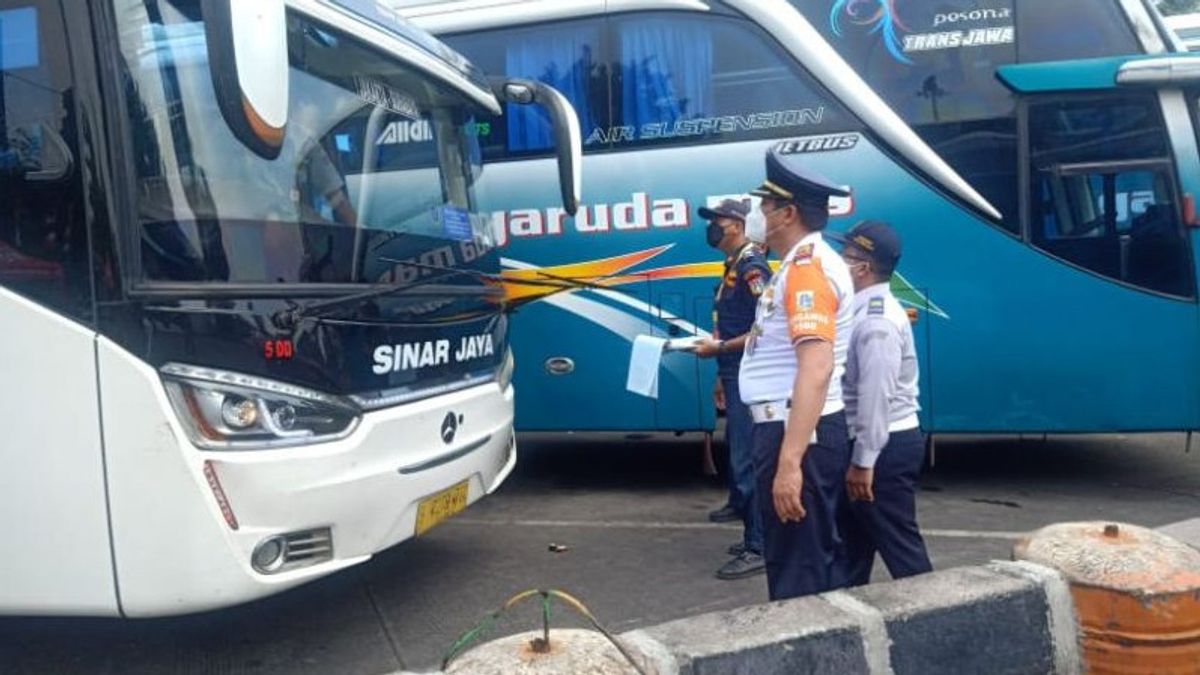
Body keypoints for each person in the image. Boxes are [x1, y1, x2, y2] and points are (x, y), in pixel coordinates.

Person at [738, 147, 854, 600]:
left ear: (787, 214)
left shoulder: (807, 271)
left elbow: (816, 366)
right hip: (796, 429)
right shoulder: (799, 265)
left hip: (796, 432)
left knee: (797, 574)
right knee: (804, 563)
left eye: (765, 205)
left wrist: (789, 464)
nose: (757, 213)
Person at [836, 220, 932, 586]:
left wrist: (863, 461)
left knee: (901, 550)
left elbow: (876, 396)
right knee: (850, 548)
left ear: (862, 268)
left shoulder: (877, 322)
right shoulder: (861, 311)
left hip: (883, 448)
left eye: (845, 256)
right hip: (876, 443)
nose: (838, 262)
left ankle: (936, 619)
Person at [693, 198, 771, 580]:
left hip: (748, 374)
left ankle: (759, 546)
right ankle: (752, 535)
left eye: (718, 221)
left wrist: (720, 350)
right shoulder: (734, 265)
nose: (713, 227)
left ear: (737, 225)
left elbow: (765, 328)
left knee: (748, 461)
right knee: (740, 456)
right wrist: (719, 377)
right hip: (733, 373)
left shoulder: (752, 267)